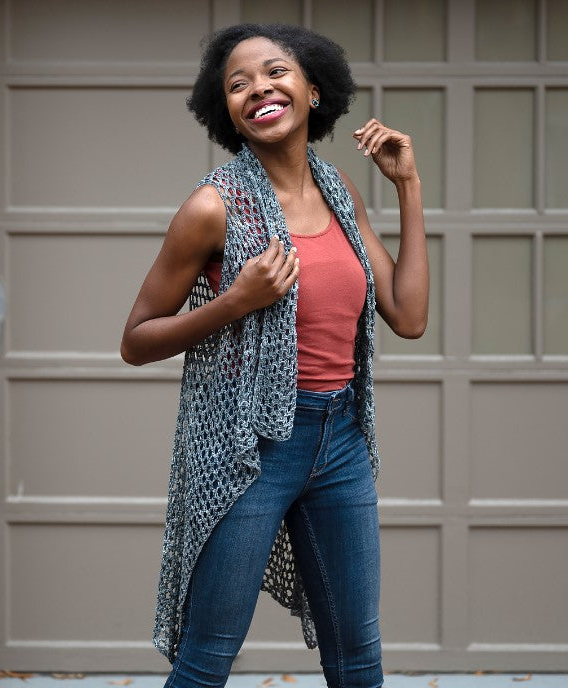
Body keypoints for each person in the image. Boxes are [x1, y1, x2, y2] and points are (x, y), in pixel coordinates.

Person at [121, 22, 428, 688]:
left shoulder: (339, 191)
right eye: (237, 83)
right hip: (247, 448)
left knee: (359, 661)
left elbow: (407, 317)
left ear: (313, 90)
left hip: (340, 441)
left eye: (274, 72)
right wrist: (232, 302)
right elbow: (136, 338)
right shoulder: (212, 207)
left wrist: (406, 185)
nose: (257, 87)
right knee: (206, 662)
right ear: (224, 108)